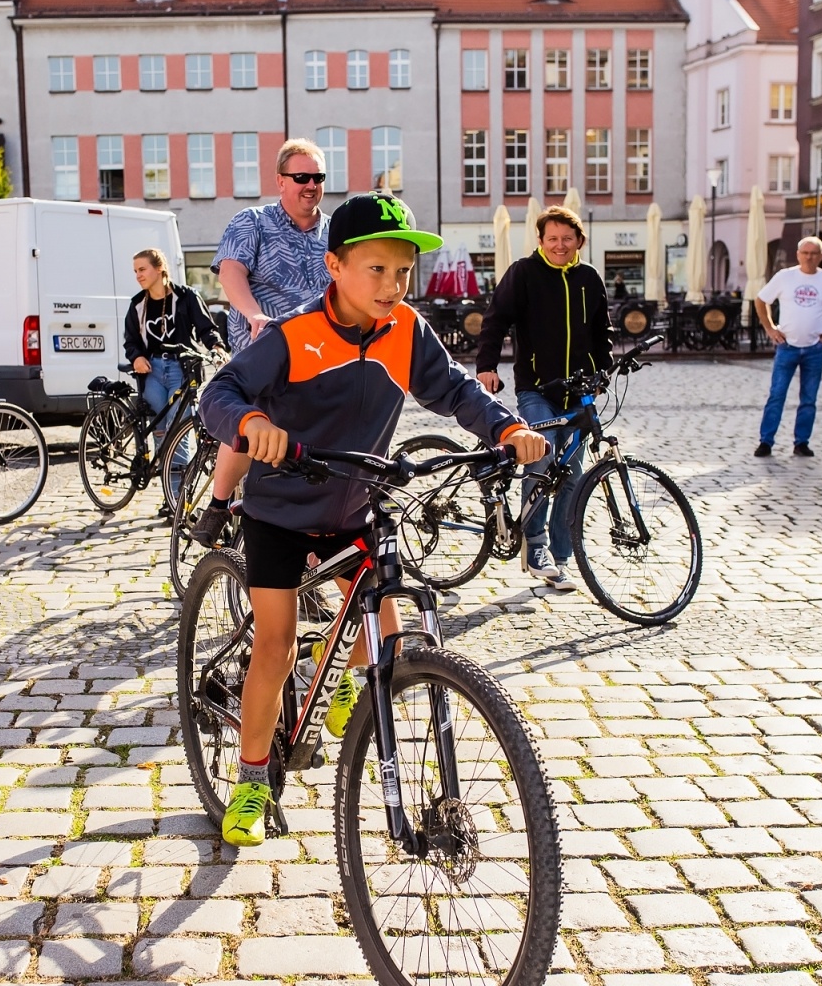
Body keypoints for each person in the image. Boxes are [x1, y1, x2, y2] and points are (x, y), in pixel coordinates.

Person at [198, 192, 547, 846]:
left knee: (388, 638)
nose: (393, 285)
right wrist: (252, 423)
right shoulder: (294, 335)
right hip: (280, 512)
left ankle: (335, 680)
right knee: (274, 645)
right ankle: (251, 781)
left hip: (355, 506)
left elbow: (456, 392)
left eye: (403, 271)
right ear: (334, 266)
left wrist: (507, 428)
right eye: (377, 270)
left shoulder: (406, 329)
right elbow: (220, 393)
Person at [191, 139, 333, 549]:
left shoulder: (336, 232)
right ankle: (219, 504)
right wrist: (254, 314)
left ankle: (316, 550)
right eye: (301, 177)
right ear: (280, 181)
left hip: (319, 351)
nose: (311, 185)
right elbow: (231, 272)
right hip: (263, 343)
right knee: (254, 417)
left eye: (318, 177)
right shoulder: (253, 221)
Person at [473, 206, 612, 590]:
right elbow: (495, 319)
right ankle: (535, 546)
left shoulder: (589, 278)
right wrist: (486, 365)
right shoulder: (524, 273)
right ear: (541, 240)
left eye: (567, 238)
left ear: (579, 241)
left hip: (579, 394)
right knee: (542, 454)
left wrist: (604, 371)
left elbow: (602, 331)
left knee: (573, 476)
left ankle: (560, 558)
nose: (559, 245)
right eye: (552, 238)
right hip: (536, 388)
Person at [123, 247, 224, 511]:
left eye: (142, 269)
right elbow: (131, 340)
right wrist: (136, 357)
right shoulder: (138, 304)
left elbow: (206, 328)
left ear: (159, 269)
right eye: (135, 271)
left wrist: (216, 347)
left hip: (181, 368)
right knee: (160, 434)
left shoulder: (186, 296)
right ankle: (171, 495)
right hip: (152, 372)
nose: (138, 275)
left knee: (178, 431)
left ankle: (178, 502)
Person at [752, 237, 822, 457]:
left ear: (821, 256)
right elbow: (761, 300)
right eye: (805, 253)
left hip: (815, 348)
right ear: (798, 255)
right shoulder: (785, 277)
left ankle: (801, 442)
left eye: (814, 253)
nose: (809, 257)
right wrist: (770, 328)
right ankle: (766, 441)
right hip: (787, 346)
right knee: (777, 395)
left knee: (809, 399)